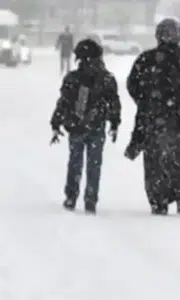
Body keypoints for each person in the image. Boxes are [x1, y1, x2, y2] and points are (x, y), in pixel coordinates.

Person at [126, 18, 180, 215]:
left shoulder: (146, 59)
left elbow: (133, 85)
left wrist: (147, 101)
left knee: (154, 162)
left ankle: (158, 200)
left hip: (153, 120)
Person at [50, 39, 121, 214]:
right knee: (94, 164)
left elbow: (63, 103)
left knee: (75, 161)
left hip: (76, 126)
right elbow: (114, 103)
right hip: (96, 126)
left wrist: (56, 122)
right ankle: (90, 198)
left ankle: (71, 195)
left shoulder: (73, 78)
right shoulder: (107, 79)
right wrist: (114, 122)